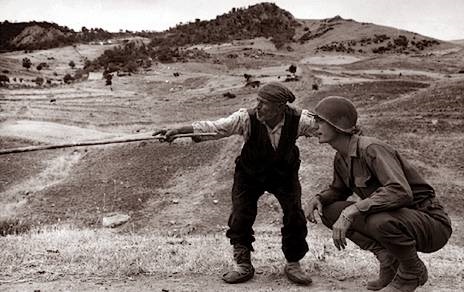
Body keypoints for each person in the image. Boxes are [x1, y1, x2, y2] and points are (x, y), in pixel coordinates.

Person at [155, 82, 316, 285]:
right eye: (257, 101)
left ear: (280, 107)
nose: (257, 107)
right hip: (249, 174)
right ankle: (243, 265)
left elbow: (326, 127)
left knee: (294, 214)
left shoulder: (300, 120)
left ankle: (293, 263)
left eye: (263, 103)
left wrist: (349, 130)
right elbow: (215, 128)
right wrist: (179, 130)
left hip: (283, 175)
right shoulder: (245, 119)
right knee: (240, 215)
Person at [306, 96, 452, 292]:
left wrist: (352, 211)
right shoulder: (341, 157)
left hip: (430, 223)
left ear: (338, 125)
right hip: (396, 218)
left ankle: (411, 273)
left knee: (378, 220)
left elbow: (400, 191)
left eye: (320, 121)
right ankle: (388, 260)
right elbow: (338, 190)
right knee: (329, 211)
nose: (315, 126)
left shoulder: (371, 149)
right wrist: (319, 199)